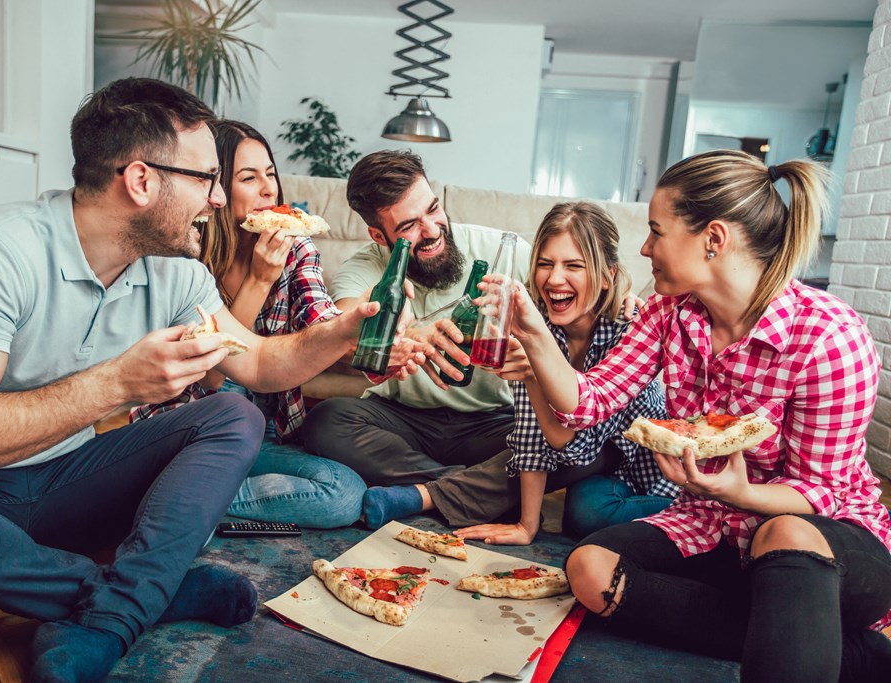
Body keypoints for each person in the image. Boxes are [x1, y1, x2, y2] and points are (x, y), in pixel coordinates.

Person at [0, 78, 382, 683]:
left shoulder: (178, 276)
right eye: (204, 179)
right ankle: (139, 597)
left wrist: (349, 331)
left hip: (63, 487)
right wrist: (118, 382)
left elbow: (261, 365)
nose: (218, 200)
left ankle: (109, 604)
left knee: (231, 415)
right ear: (141, 180)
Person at [511, 151, 891, 680]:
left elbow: (817, 492)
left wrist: (738, 493)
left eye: (656, 232)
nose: (645, 249)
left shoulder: (829, 337)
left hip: (823, 539)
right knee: (588, 569)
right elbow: (589, 400)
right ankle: (836, 652)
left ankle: (804, 632)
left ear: (713, 239)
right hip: (711, 526)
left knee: (781, 533)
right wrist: (532, 336)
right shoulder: (670, 313)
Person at [362, 202, 679, 542]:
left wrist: (534, 373)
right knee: (583, 508)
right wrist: (528, 525)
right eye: (545, 264)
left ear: (606, 276)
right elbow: (531, 433)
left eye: (574, 265)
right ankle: (470, 494)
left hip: (653, 476)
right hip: (604, 478)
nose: (554, 279)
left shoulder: (629, 330)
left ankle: (428, 495)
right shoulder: (534, 324)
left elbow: (571, 445)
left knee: (590, 511)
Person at [130, 119, 367, 529]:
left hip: (267, 431)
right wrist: (258, 280)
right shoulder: (188, 256)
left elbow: (322, 319)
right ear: (217, 188)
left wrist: (359, 327)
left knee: (342, 491)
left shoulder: (296, 247)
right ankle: (174, 500)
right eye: (248, 177)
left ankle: (177, 504)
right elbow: (210, 381)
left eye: (270, 174)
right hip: (189, 429)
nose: (268, 189)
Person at [301, 150, 531, 488]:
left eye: (434, 209)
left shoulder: (505, 250)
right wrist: (408, 336)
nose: (432, 230)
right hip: (404, 422)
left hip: (493, 423)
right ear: (379, 236)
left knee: (564, 441)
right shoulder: (361, 269)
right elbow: (345, 337)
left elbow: (583, 296)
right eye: (409, 226)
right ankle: (467, 488)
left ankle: (432, 489)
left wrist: (621, 300)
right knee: (327, 422)